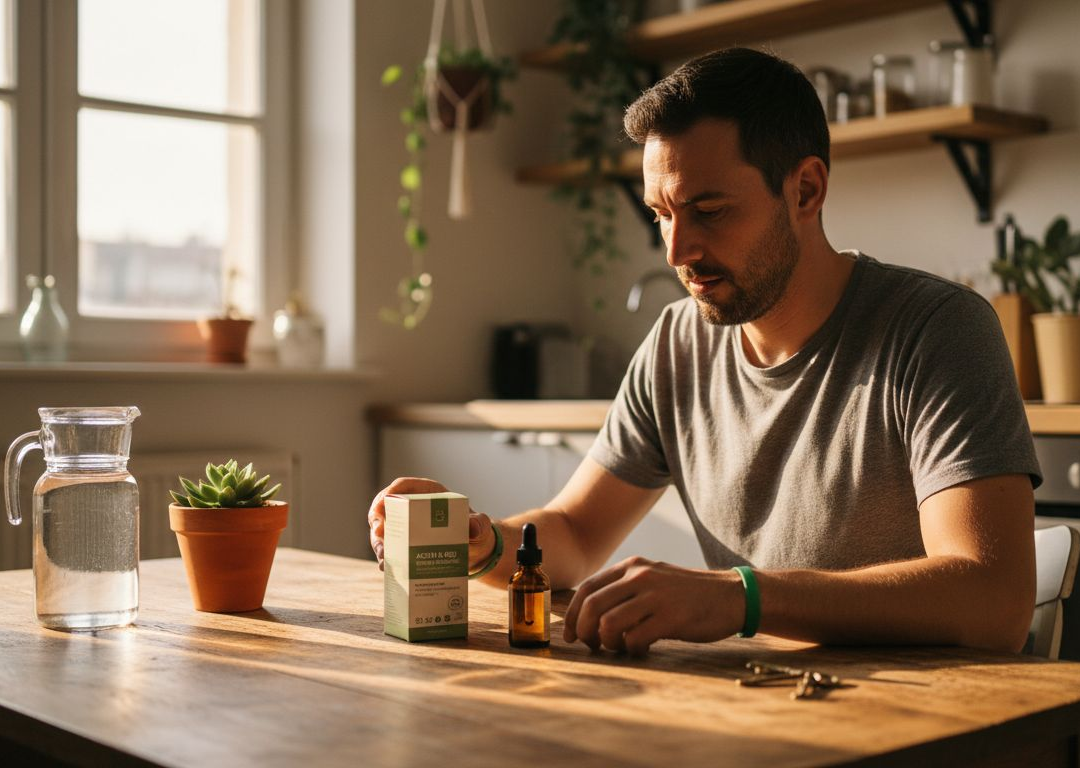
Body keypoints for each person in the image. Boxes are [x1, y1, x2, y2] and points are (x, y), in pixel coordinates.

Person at [368, 47, 1041, 656]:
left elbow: (995, 601)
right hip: (756, 710)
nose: (676, 251)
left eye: (709, 211)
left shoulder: (937, 331)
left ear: (805, 190)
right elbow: (572, 534)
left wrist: (739, 597)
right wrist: (484, 545)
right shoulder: (676, 344)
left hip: (924, 724)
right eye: (661, 214)